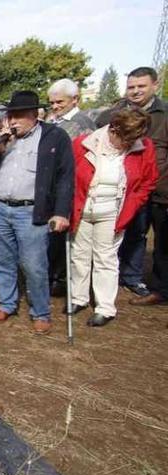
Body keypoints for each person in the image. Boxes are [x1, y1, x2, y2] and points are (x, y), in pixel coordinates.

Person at [0, 90, 74, 335]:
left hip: (31, 211)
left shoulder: (54, 137)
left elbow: (65, 177)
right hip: (0, 208)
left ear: (34, 114)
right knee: (0, 260)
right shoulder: (2, 139)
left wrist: (61, 212)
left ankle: (40, 312)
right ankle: (6, 303)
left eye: (19, 115)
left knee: (34, 265)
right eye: (11, 115)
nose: (14, 121)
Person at [69, 109, 157, 327]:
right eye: (124, 138)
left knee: (105, 258)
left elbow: (148, 180)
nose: (126, 143)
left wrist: (134, 203)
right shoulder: (84, 144)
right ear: (114, 128)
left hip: (113, 212)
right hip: (83, 208)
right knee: (79, 255)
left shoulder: (144, 149)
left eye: (132, 139)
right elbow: (69, 175)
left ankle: (104, 307)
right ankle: (78, 298)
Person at [97, 67, 168, 303]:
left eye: (141, 86)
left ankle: (154, 286)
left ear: (155, 86)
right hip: (124, 186)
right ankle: (122, 274)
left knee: (158, 241)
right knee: (129, 231)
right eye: (131, 87)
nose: (136, 91)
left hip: (159, 189)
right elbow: (100, 125)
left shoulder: (165, 113)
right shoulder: (118, 112)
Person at [46, 78, 97, 296]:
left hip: (69, 186)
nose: (55, 107)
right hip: (50, 185)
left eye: (60, 102)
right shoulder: (54, 121)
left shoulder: (82, 124)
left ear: (75, 99)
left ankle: (59, 278)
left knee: (61, 236)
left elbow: (81, 162)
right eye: (52, 103)